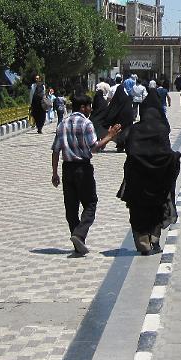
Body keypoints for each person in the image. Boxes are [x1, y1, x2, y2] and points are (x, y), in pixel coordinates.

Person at [51, 94, 122, 255]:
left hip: (67, 168)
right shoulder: (86, 123)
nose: (91, 109)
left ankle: (78, 241)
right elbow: (94, 147)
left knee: (71, 208)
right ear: (83, 107)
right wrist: (110, 136)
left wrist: (54, 173)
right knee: (90, 203)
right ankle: (79, 234)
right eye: (89, 106)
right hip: (83, 168)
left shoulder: (62, 123)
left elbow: (56, 150)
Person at [120, 93, 181, 254]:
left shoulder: (135, 129)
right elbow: (166, 153)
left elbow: (130, 151)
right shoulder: (162, 129)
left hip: (138, 181)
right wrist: (174, 158)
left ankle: (143, 241)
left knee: (138, 210)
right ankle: (154, 237)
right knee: (158, 207)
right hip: (158, 180)